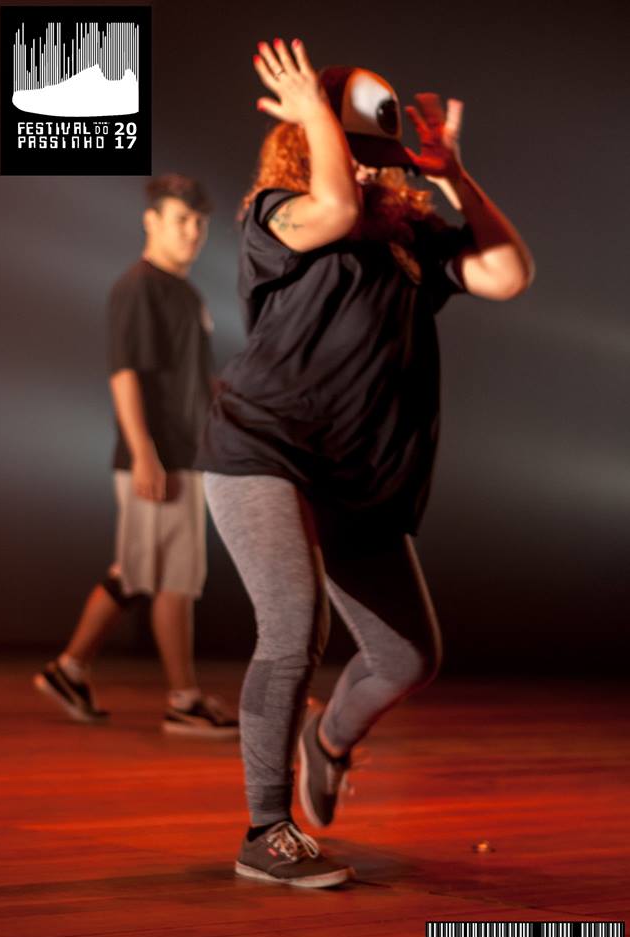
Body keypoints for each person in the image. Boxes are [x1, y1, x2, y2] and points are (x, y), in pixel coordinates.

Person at [200, 39, 534, 885]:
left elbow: (506, 275)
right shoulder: (276, 212)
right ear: (310, 141)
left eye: (365, 151)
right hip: (261, 448)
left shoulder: (409, 238)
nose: (363, 163)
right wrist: (316, 116)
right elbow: (335, 208)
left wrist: (453, 177)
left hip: (358, 476)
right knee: (292, 628)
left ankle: (329, 739)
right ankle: (265, 831)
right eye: (349, 145)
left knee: (407, 657)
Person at [34, 174, 239, 740]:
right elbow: (124, 373)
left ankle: (69, 670)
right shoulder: (138, 287)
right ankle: (184, 701)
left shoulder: (186, 293)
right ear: (152, 221)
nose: (192, 232)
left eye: (199, 223)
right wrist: (146, 452)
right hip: (160, 457)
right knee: (174, 577)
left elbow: (191, 379)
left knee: (137, 569)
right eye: (181, 220)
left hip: (185, 452)